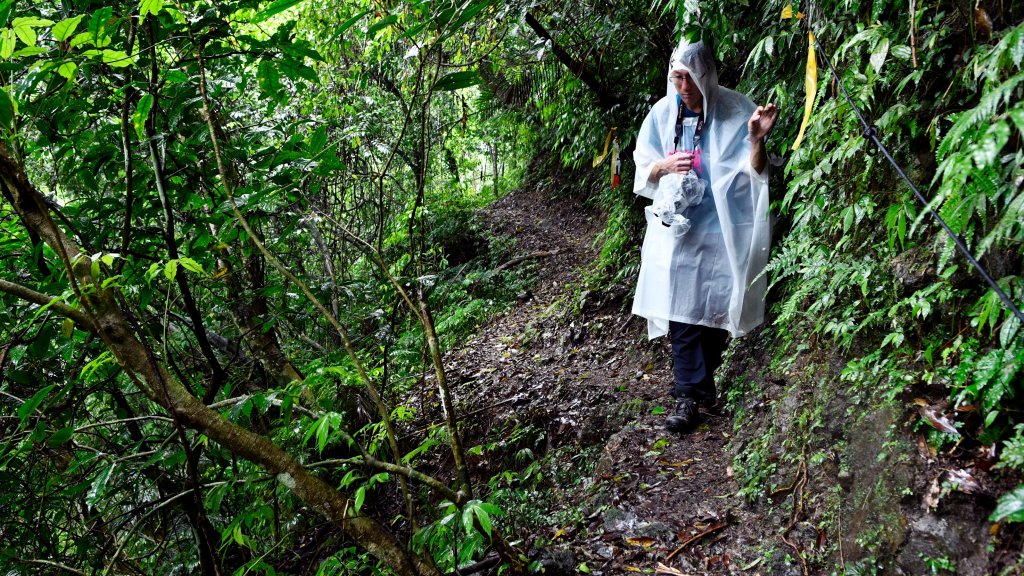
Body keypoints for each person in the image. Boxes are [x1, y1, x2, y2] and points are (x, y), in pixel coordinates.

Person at [631, 36, 778, 433]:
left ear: (708, 76)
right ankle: (687, 396)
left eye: (690, 80)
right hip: (677, 233)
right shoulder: (663, 114)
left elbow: (757, 172)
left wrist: (756, 139)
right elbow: (643, 167)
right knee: (680, 310)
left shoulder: (737, 111)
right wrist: (663, 167)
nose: (684, 90)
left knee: (712, 312)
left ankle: (702, 386)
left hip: (721, 230)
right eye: (677, 79)